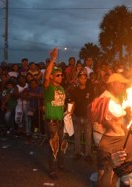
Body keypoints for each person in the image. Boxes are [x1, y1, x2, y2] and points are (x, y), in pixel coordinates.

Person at [43, 48, 67, 180]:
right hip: (51, 122)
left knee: (62, 145)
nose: (61, 77)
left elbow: (61, 104)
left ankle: (60, 165)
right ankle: (52, 170)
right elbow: (46, 76)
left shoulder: (62, 88)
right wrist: (53, 59)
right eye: (58, 75)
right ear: (52, 77)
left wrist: (67, 112)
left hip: (60, 121)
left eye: (62, 75)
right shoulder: (49, 87)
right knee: (54, 146)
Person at [93, 73, 130, 146]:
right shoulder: (106, 98)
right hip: (104, 136)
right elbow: (110, 121)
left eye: (123, 84)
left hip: (110, 136)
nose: (123, 86)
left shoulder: (114, 98)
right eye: (121, 83)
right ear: (112, 84)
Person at [70, 70, 94, 162]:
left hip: (87, 117)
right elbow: (73, 102)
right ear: (78, 79)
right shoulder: (74, 91)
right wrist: (70, 113)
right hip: (77, 116)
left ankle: (88, 154)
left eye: (84, 78)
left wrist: (92, 115)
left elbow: (93, 103)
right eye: (81, 78)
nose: (83, 80)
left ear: (86, 79)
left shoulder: (90, 90)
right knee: (77, 136)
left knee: (88, 136)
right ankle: (77, 153)